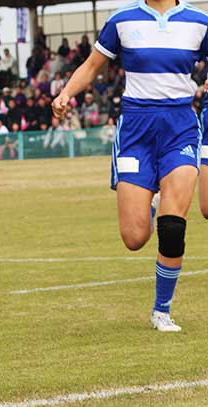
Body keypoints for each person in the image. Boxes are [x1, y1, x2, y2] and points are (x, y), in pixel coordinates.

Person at [51, 0, 208, 332]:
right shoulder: (121, 19)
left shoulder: (199, 21)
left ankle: (161, 311)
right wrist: (65, 94)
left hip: (180, 126)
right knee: (135, 237)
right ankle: (152, 199)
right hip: (136, 130)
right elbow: (92, 66)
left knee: (172, 226)